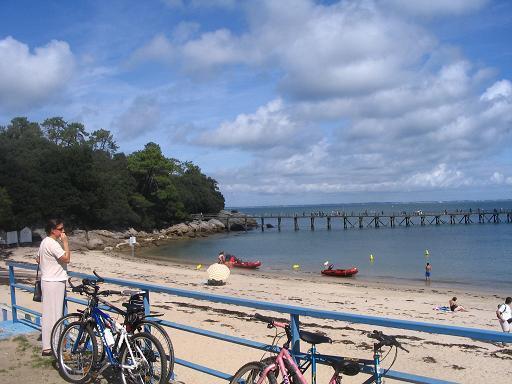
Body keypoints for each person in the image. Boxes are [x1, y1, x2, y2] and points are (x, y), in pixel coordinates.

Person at [36, 219, 70, 356]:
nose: (63, 231)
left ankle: (47, 346)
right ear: (53, 230)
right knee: (56, 315)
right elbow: (66, 258)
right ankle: (56, 346)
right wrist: (66, 243)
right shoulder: (53, 244)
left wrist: (48, 265)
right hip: (55, 281)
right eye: (60, 229)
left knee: (48, 315)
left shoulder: (44, 242)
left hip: (47, 280)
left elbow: (37, 259)